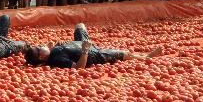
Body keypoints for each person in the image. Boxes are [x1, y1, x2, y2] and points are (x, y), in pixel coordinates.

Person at [24, 23, 162, 68]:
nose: (40, 45)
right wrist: (85, 51)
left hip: (81, 43)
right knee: (126, 54)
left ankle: (144, 56)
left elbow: (48, 46)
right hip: (93, 54)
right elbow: (79, 67)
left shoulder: (50, 53)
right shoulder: (56, 60)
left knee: (80, 26)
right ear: (41, 56)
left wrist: (50, 46)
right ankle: (146, 57)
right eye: (38, 47)